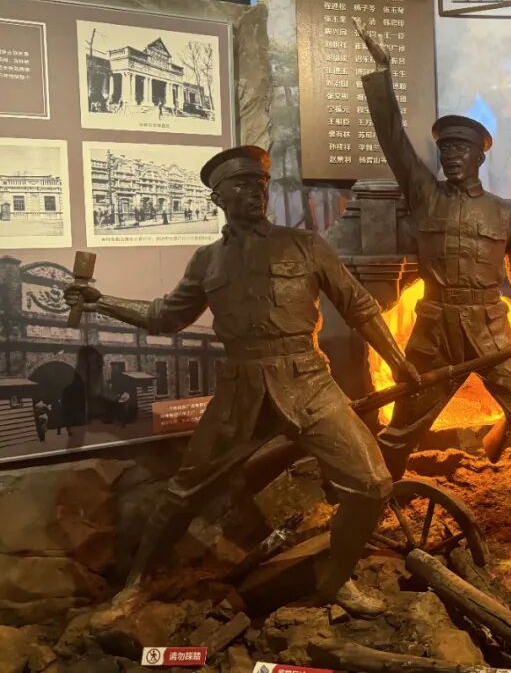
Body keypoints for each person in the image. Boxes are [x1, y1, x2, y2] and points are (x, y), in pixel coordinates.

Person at [64, 145, 419, 618]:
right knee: (184, 491)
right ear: (218, 198)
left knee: (372, 484)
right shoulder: (207, 261)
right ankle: (136, 583)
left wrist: (398, 361)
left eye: (261, 183)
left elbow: (359, 306)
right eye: (243, 184)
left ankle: (334, 581)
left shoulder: (306, 245)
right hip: (241, 391)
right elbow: (164, 317)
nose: (256, 191)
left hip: (308, 382)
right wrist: (100, 301)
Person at [358, 25, 511, 545]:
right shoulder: (424, 195)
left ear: (479, 156)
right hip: (435, 334)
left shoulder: (505, 213)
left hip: (492, 331)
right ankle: (373, 509)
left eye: (461, 149)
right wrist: (382, 75)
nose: (451, 156)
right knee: (400, 433)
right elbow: (392, 139)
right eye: (445, 149)